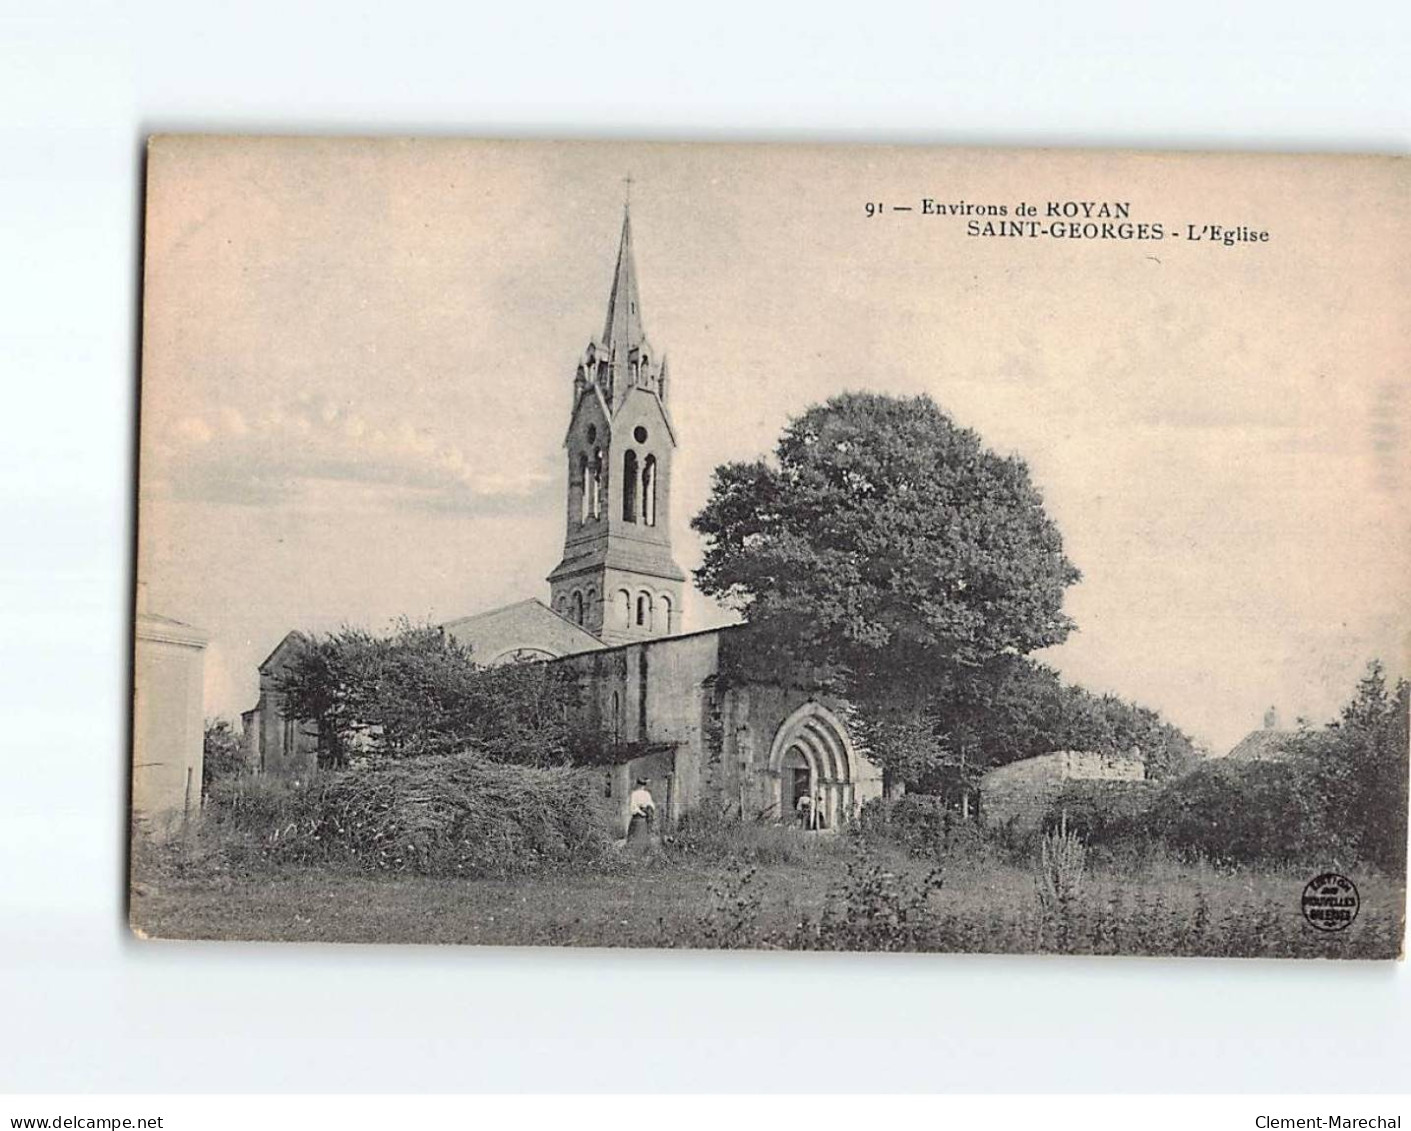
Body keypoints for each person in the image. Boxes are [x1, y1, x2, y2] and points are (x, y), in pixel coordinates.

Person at [627, 777, 656, 843]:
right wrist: (646, 811)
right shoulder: (647, 794)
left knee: (636, 838)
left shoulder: (635, 794)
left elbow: (633, 807)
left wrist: (641, 811)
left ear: (638, 784)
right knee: (642, 838)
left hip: (639, 818)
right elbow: (652, 806)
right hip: (643, 819)